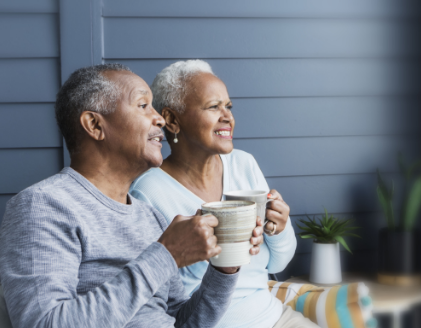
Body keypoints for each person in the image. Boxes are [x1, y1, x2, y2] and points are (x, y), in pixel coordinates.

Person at [0, 64, 265, 328]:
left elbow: (184, 322)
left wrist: (224, 268)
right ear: (94, 125)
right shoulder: (42, 206)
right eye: (142, 105)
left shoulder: (149, 216)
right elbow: (45, 323)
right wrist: (167, 254)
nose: (159, 118)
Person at [130, 60, 316, 327]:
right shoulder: (148, 193)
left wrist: (278, 228)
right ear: (171, 120)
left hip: (274, 318)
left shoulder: (244, 164)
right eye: (213, 107)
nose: (227, 116)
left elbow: (276, 264)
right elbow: (157, 300)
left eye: (228, 106)